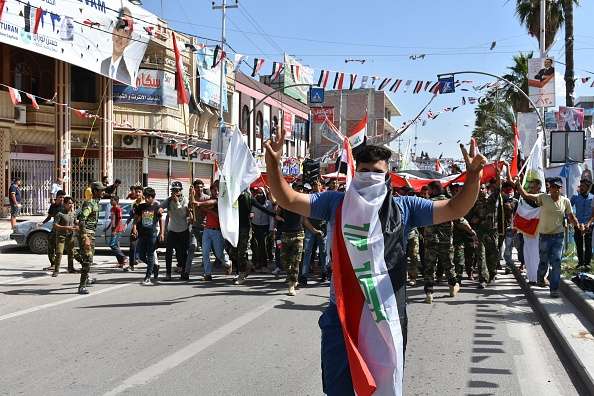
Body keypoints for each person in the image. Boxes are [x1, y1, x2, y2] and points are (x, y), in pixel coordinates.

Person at [264, 126, 485, 394]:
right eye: (364, 171)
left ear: (388, 176)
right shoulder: (335, 203)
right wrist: (273, 165)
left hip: (385, 314)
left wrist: (473, 176)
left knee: (383, 387)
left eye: (377, 172)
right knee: (338, 388)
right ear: (355, 173)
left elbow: (454, 208)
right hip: (342, 314)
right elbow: (288, 198)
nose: (370, 177)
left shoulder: (406, 207)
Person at [517, 176, 579, 297]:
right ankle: (540, 278)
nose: (555, 189)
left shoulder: (565, 201)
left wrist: (578, 226)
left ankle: (554, 289)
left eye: (557, 187)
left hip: (558, 236)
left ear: (560, 189)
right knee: (543, 262)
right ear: (549, 188)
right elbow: (526, 196)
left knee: (556, 262)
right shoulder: (543, 198)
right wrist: (518, 184)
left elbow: (571, 216)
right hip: (544, 236)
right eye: (552, 187)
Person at [423, 181, 457, 303]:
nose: (427, 192)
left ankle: (429, 293)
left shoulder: (427, 203)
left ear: (433, 190)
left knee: (430, 267)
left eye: (429, 190)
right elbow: (459, 219)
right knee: (448, 264)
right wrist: (470, 230)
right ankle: (453, 287)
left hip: (430, 240)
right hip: (445, 241)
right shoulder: (449, 202)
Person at [468, 172, 503, 289]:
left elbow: (498, 187)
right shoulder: (473, 202)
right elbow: (469, 218)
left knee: (492, 255)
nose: (481, 190)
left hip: (492, 232)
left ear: (486, 189)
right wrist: (474, 221)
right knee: (481, 256)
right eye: (479, 189)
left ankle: (492, 274)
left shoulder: (492, 199)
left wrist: (498, 175)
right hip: (479, 232)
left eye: (482, 188)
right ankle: (483, 279)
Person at [74, 181, 104, 294]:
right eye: (101, 190)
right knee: (87, 260)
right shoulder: (89, 204)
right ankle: (82, 286)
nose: (103, 192)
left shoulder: (96, 202)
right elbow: (82, 221)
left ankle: (86, 278)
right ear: (95, 191)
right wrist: (85, 237)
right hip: (87, 234)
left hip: (91, 234)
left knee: (89, 260)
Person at [197, 181, 230, 281]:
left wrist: (202, 205)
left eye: (217, 190)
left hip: (217, 231)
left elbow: (217, 214)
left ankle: (228, 263)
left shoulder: (221, 200)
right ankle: (207, 274)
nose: (215, 192)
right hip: (207, 230)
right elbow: (204, 208)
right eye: (213, 190)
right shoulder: (209, 200)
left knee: (219, 254)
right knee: (205, 253)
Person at [131, 187, 164, 285]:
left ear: (153, 197)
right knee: (141, 255)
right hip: (142, 235)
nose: (146, 199)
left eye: (148, 197)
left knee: (150, 255)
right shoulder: (140, 207)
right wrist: (134, 228)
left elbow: (161, 221)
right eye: (145, 197)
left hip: (152, 235)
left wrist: (162, 233)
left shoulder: (156, 207)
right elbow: (136, 219)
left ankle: (148, 277)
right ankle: (154, 267)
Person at [277, 183, 305, 296]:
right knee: (284, 260)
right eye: (298, 188)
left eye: (301, 188)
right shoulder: (284, 202)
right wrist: (280, 219)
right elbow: (276, 213)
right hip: (285, 234)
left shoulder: (302, 203)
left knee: (296, 261)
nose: (300, 190)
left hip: (298, 234)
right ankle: (291, 276)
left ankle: (292, 285)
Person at [161, 182, 191, 281]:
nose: (176, 192)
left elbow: (184, 213)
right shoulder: (169, 200)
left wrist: (177, 202)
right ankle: (168, 273)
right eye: (174, 190)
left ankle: (184, 272)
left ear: (181, 191)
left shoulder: (185, 199)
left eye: (178, 190)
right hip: (172, 230)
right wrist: (160, 209)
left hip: (183, 230)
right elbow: (161, 207)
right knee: (168, 253)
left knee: (183, 253)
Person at [301, 179, 328, 286]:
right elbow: (304, 218)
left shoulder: (326, 199)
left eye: (318, 184)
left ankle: (324, 272)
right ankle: (303, 275)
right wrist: (313, 230)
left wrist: (323, 230)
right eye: (314, 184)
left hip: (322, 230)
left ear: (321, 186)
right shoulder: (308, 199)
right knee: (307, 252)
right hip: (310, 229)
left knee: (323, 253)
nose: (316, 186)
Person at [100, 7, 133, 84]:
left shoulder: (127, 76)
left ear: (129, 39)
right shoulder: (103, 63)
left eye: (125, 32)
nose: (120, 37)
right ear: (113, 32)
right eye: (118, 29)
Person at [186, 179, 210, 280]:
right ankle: (186, 272)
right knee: (192, 248)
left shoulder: (207, 198)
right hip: (194, 228)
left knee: (206, 251)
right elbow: (188, 210)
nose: (199, 189)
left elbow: (210, 211)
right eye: (197, 187)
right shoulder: (191, 198)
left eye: (201, 187)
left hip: (205, 228)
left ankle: (207, 273)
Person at [51, 196, 77, 277]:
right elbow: (55, 225)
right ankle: (56, 270)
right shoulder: (60, 214)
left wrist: (77, 226)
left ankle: (71, 268)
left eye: (72, 203)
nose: (71, 205)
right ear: (65, 204)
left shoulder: (73, 213)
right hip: (61, 236)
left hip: (70, 236)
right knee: (59, 252)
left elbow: (75, 222)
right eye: (69, 203)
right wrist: (65, 227)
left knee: (71, 252)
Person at [41, 190, 66, 271]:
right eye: (60, 197)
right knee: (50, 246)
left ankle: (77, 264)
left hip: (64, 229)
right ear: (57, 197)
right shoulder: (53, 206)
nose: (62, 199)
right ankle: (53, 264)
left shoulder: (65, 206)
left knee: (65, 248)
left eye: (63, 197)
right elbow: (49, 217)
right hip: (55, 229)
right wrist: (42, 223)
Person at [572, 179, 594, 270]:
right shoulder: (575, 197)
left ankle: (587, 263)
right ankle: (580, 262)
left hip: (589, 224)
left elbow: (593, 213)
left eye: (583, 186)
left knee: (588, 244)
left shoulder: (592, 197)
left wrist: (588, 224)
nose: (581, 188)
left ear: (588, 188)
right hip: (578, 224)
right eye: (580, 186)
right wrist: (575, 222)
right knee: (579, 243)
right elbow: (568, 209)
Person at [251, 187, 273, 272]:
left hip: (265, 227)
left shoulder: (268, 203)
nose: (259, 195)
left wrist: (271, 228)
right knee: (254, 246)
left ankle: (264, 265)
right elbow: (251, 212)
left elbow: (271, 216)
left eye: (261, 193)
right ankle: (256, 263)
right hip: (254, 226)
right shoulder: (253, 202)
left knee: (263, 246)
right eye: (258, 193)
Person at [105, 195, 128, 268]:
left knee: (112, 245)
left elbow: (119, 220)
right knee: (117, 246)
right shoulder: (112, 209)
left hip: (117, 230)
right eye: (110, 200)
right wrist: (108, 227)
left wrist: (115, 230)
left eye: (112, 200)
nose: (110, 201)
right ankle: (121, 263)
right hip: (113, 228)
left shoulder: (118, 209)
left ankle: (124, 257)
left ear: (116, 201)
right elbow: (112, 220)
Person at [501, 181, 519, 274]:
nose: (509, 192)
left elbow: (518, 215)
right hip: (499, 228)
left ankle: (508, 266)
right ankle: (496, 265)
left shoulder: (516, 202)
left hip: (511, 228)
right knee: (499, 248)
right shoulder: (499, 201)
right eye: (507, 190)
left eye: (511, 190)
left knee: (508, 248)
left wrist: (516, 227)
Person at [126, 185, 144, 271]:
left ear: (142, 193)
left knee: (149, 248)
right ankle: (131, 265)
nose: (137, 193)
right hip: (136, 226)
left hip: (145, 227)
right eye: (136, 192)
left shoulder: (145, 203)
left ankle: (154, 265)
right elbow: (132, 216)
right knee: (132, 245)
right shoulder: (133, 204)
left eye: (139, 192)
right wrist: (127, 224)